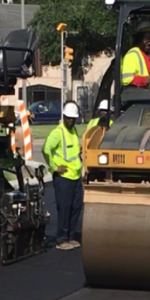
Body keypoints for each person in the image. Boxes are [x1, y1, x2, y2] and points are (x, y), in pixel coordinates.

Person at [42, 99, 83, 250]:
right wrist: (54, 167)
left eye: (73, 118)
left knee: (76, 207)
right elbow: (46, 149)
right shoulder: (57, 133)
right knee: (64, 207)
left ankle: (70, 236)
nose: (71, 121)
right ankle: (61, 239)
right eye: (68, 118)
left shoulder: (74, 131)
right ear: (64, 116)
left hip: (76, 175)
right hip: (63, 178)